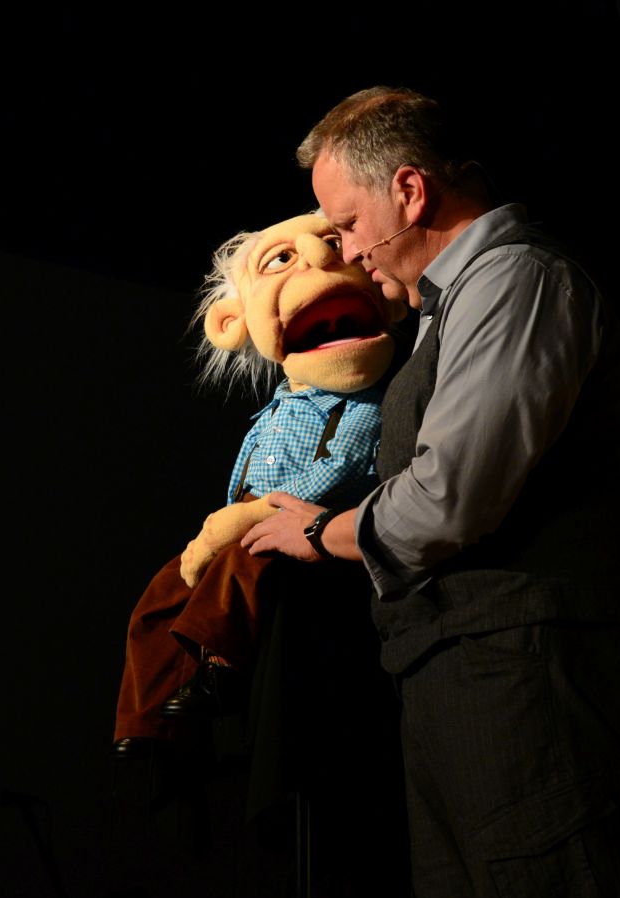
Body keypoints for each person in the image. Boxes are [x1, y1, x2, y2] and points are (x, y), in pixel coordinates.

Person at [241, 86, 620, 898]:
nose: (346, 251)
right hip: (462, 675)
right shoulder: (446, 305)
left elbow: (451, 494)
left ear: (409, 191)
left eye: (347, 224)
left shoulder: (518, 279)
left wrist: (322, 531)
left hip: (527, 673)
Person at [112, 212, 405, 758]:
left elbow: (341, 467)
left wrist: (246, 517)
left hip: (305, 516)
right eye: (283, 259)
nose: (318, 260)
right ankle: (147, 719)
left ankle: (222, 672)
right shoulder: (276, 406)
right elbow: (243, 476)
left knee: (242, 565)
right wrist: (230, 516)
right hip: (244, 515)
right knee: (163, 592)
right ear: (236, 321)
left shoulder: (363, 404)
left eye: (332, 244)